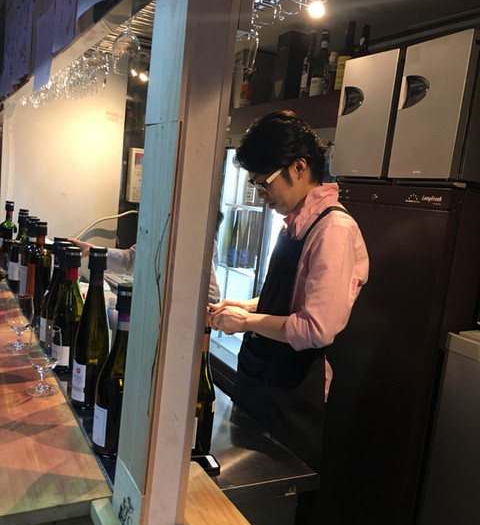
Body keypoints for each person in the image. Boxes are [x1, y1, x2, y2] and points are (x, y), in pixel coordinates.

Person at [209, 110, 369, 473]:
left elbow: (315, 328)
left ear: (298, 168)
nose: (261, 195)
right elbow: (290, 301)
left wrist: (246, 321)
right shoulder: (296, 224)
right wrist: (245, 306)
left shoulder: (334, 230)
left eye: (264, 183)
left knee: (274, 491)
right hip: (263, 381)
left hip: (290, 394)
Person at [70, 239, 221, 303]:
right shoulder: (158, 224)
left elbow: (211, 299)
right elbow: (131, 259)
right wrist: (93, 251)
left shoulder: (198, 239)